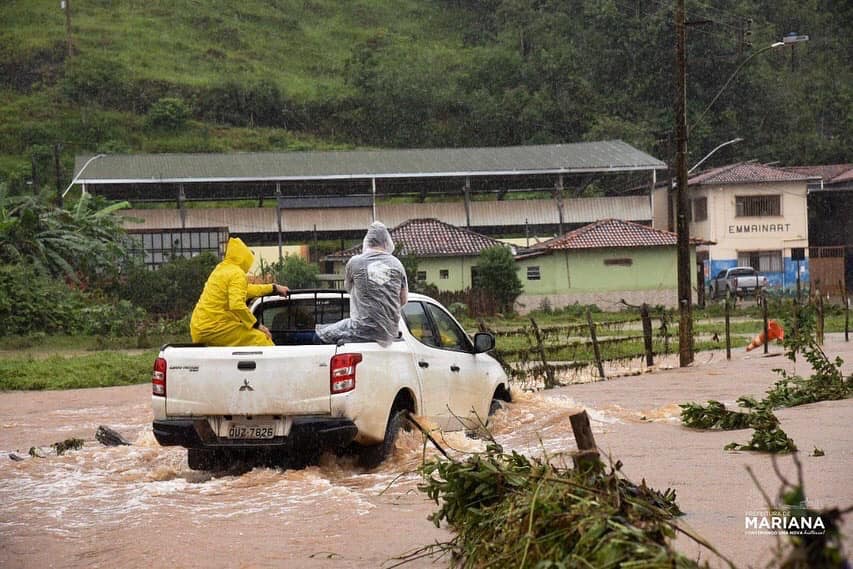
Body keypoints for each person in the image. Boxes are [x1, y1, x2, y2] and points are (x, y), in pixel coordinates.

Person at [316, 222, 408, 347]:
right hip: (390, 333)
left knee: (318, 335)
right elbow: (403, 300)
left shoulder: (355, 262)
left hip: (361, 329)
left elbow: (348, 288)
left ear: (367, 241)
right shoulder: (397, 264)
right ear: (386, 242)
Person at [190, 237, 289, 346]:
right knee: (262, 339)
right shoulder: (237, 273)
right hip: (216, 327)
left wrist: (273, 288)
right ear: (244, 258)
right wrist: (257, 325)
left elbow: (246, 291)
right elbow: (236, 304)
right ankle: (274, 362)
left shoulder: (221, 269)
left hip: (199, 328)